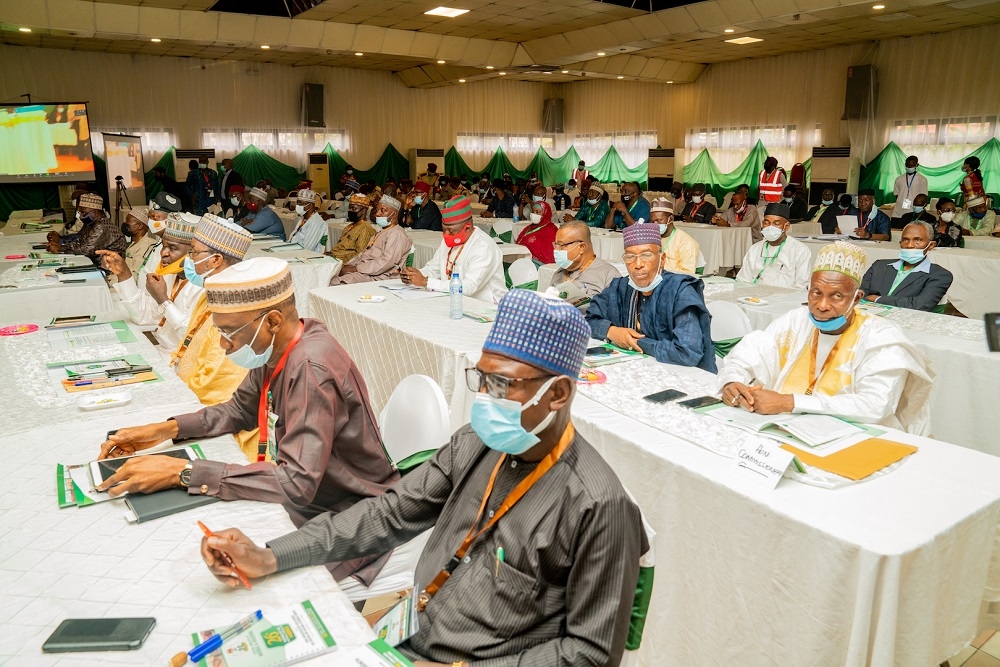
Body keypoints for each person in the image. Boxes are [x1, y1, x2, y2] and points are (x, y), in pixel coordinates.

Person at [198, 289, 645, 666]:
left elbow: (589, 653)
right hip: (408, 623)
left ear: (558, 393)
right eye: (482, 380)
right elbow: (386, 514)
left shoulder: (598, 506)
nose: (485, 400)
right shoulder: (475, 443)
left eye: (503, 386)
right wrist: (269, 555)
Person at [96, 256, 401, 586]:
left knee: (227, 577)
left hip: (348, 517)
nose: (225, 345)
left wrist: (180, 472)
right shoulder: (279, 347)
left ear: (271, 321)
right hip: (312, 500)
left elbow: (296, 482)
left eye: (230, 333)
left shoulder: (311, 369)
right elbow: (237, 411)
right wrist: (163, 430)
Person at [718, 241, 935, 435]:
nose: (822, 306)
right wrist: (732, 381)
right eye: (816, 293)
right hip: (782, 427)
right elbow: (749, 353)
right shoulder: (796, 320)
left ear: (857, 298)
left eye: (837, 296)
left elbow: (875, 405)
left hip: (853, 434)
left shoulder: (880, 338)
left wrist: (790, 402)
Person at [170, 216, 257, 457]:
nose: (189, 260)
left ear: (215, 260)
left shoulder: (235, 307)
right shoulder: (210, 292)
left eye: (194, 253)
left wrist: (177, 404)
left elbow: (218, 384)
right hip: (190, 392)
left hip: (219, 414)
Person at [587, 224, 716, 371]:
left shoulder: (679, 291)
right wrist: (612, 332)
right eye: (630, 256)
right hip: (635, 368)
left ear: (662, 259)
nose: (638, 264)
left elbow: (687, 352)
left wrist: (634, 342)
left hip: (681, 375)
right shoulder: (620, 288)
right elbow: (587, 321)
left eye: (646, 255)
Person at [101, 213, 202, 350]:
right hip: (163, 351)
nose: (163, 253)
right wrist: (124, 273)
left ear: (194, 252)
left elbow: (195, 339)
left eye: (172, 248)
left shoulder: (204, 287)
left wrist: (163, 300)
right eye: (164, 247)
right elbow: (144, 316)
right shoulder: (170, 276)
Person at [401, 195, 507, 303]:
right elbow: (434, 268)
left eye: (450, 231)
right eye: (444, 229)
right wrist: (414, 275)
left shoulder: (483, 246)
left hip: (487, 307)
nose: (446, 234)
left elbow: (468, 287)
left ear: (467, 228)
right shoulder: (449, 240)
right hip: (454, 301)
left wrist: (426, 281)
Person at [860, 221, 953, 312]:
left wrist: (877, 299)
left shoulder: (940, 275)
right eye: (905, 240)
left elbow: (919, 305)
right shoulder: (879, 266)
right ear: (900, 243)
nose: (910, 245)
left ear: (931, 245)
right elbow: (859, 295)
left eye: (918, 240)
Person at [330, 194, 412, 285]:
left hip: (380, 277)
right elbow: (363, 254)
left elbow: (386, 262)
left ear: (394, 214)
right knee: (330, 276)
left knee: (337, 283)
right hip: (366, 272)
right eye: (377, 210)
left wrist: (356, 269)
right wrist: (350, 265)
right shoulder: (382, 231)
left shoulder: (397, 234)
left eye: (383, 210)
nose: (377, 214)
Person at [735, 203, 812, 289]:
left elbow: (801, 286)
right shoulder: (755, 249)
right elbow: (742, 280)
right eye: (767, 223)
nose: (770, 227)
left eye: (776, 223)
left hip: (785, 299)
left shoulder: (799, 250)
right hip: (754, 298)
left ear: (786, 226)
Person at [549, 222, 621, 309]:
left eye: (561, 245)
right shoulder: (559, 273)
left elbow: (616, 315)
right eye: (555, 245)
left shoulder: (608, 275)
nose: (556, 250)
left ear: (582, 247)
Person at [46, 192, 127, 264]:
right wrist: (59, 242)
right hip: (95, 263)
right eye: (80, 212)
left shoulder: (103, 227)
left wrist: (60, 249)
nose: (81, 216)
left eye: (83, 213)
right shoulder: (90, 224)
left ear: (95, 213)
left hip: (110, 269)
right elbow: (79, 241)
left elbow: (86, 250)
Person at [650, 198, 699, 275]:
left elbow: (687, 274)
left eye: (659, 220)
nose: (655, 225)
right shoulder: (650, 238)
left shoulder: (686, 242)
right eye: (653, 221)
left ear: (671, 218)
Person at [330, 194, 377, 263]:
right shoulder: (349, 226)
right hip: (334, 258)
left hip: (343, 263)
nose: (350, 211)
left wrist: (335, 258)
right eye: (350, 208)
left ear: (363, 211)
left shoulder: (366, 229)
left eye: (353, 209)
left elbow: (359, 255)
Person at [121, 207, 160, 278]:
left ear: (140, 226)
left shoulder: (146, 245)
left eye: (128, 221)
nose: (125, 223)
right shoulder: (134, 242)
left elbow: (136, 275)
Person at [515, 201, 557, 265]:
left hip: (538, 263)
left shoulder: (550, 230)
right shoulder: (530, 227)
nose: (534, 214)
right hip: (523, 258)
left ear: (545, 213)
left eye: (537, 212)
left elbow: (549, 254)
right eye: (533, 212)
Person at [890, 155, 928, 225]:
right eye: (907, 165)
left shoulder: (922, 179)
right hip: (897, 212)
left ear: (917, 165)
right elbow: (897, 195)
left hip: (912, 212)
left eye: (911, 166)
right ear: (905, 165)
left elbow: (923, 197)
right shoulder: (899, 179)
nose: (909, 167)